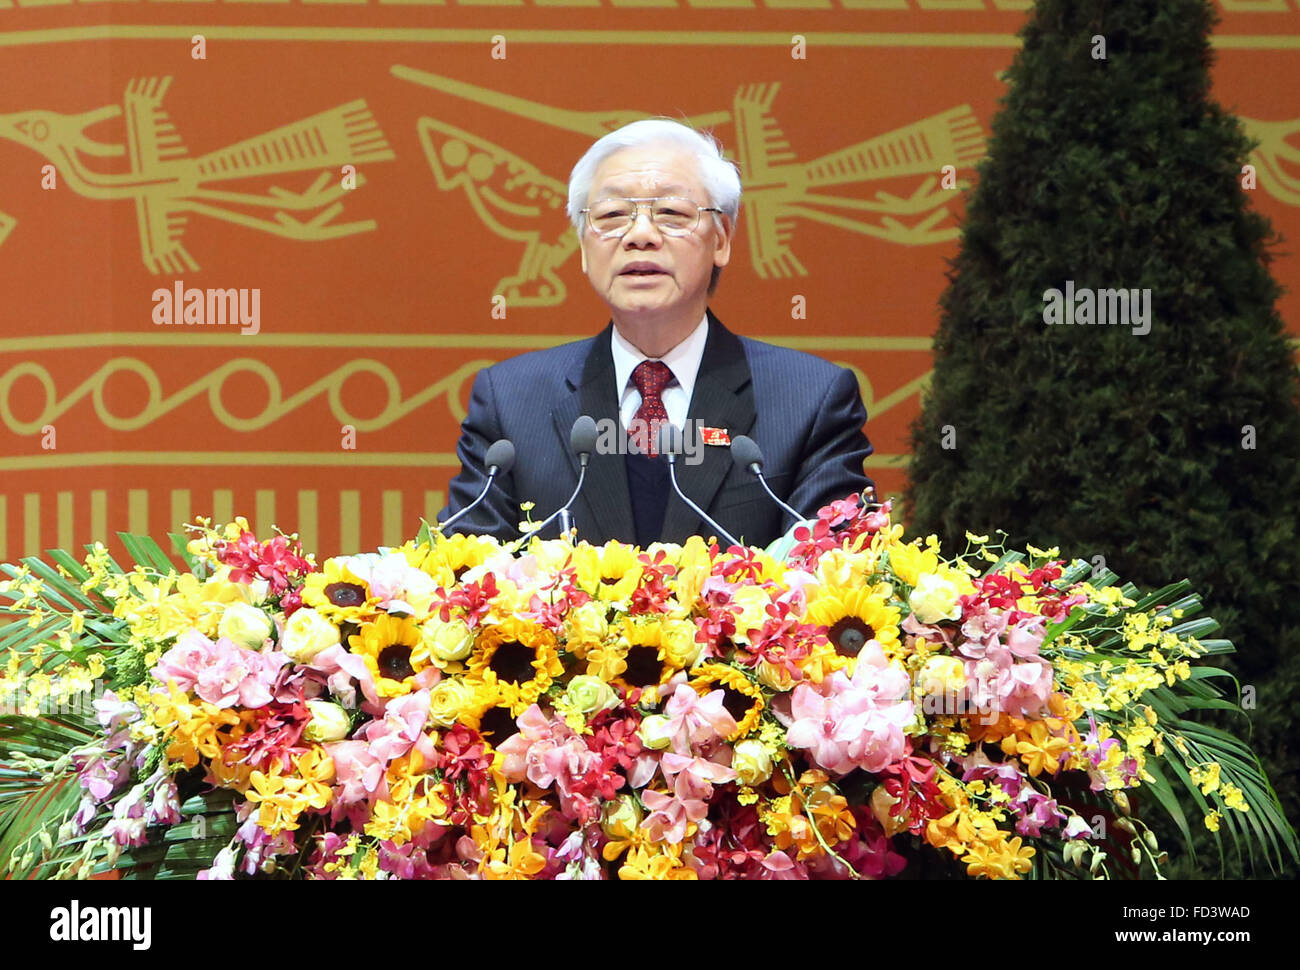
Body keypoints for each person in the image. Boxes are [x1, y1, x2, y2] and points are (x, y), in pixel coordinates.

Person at [439, 118, 874, 548]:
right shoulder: (511, 401)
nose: (640, 235)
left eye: (670, 213)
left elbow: (833, 578)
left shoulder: (810, 399)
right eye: (611, 215)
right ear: (584, 248)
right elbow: (466, 580)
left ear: (721, 238)